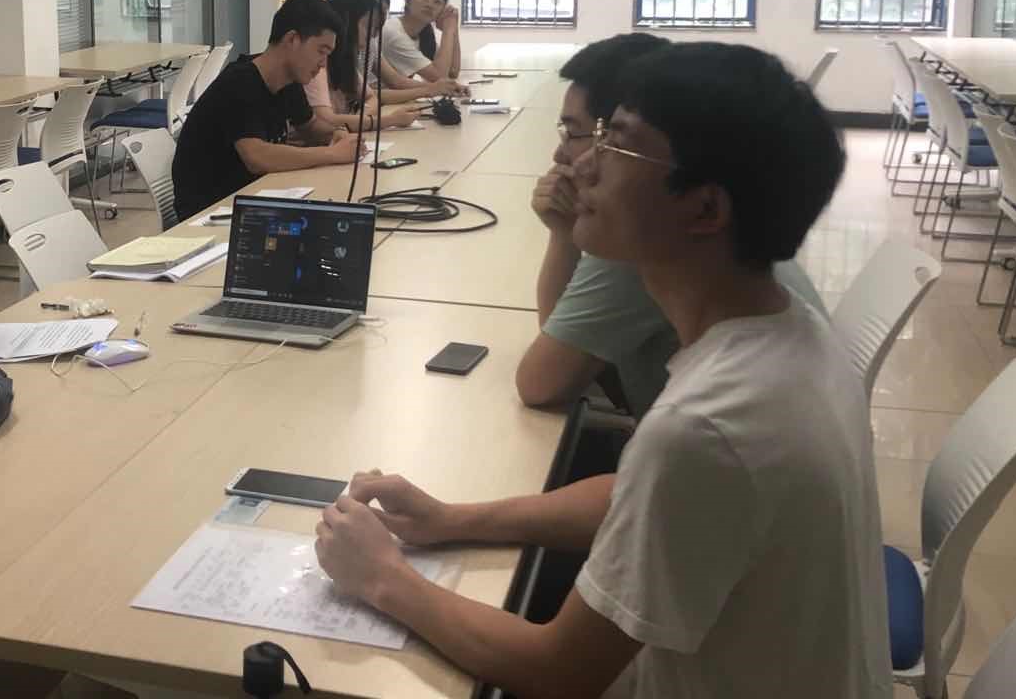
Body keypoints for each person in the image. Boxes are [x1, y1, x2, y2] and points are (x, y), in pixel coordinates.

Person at [314, 42, 891, 699]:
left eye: (616, 145)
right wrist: (454, 518)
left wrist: (382, 576)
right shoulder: (790, 331)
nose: (581, 164)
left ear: (705, 209)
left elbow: (558, 671)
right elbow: (634, 495)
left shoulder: (704, 427)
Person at [519, 33, 826, 418]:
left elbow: (542, 382)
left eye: (612, 142)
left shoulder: (648, 237)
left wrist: (565, 238)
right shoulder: (727, 232)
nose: (571, 159)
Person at [172, 0, 359, 220]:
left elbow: (310, 127)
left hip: (253, 197)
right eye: (321, 51)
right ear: (292, 40)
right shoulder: (240, 82)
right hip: (210, 213)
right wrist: (332, 154)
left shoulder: (289, 80)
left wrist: (337, 133)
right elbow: (257, 157)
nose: (323, 64)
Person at [305, 0, 434, 135]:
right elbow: (325, 121)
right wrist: (385, 120)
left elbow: (372, 98)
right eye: (369, 26)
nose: (374, 34)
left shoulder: (345, 60)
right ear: (347, 21)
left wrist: (360, 121)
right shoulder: (318, 64)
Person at [380, 0, 461, 82]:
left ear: (443, 9)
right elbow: (440, 77)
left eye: (437, 1)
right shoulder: (392, 32)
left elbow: (452, 71)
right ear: (407, 0)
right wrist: (449, 30)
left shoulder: (423, 34)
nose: (429, 4)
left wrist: (453, 27)